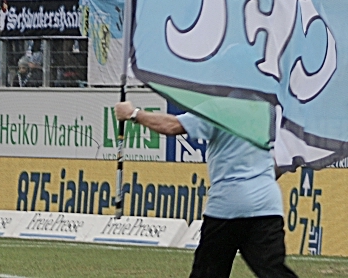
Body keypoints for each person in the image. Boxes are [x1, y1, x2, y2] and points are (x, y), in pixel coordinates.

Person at [114, 99, 298, 278]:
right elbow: (281, 161)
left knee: (208, 272)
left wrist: (133, 114)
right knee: (272, 270)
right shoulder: (269, 110)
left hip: (227, 206)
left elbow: (171, 126)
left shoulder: (220, 107)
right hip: (267, 205)